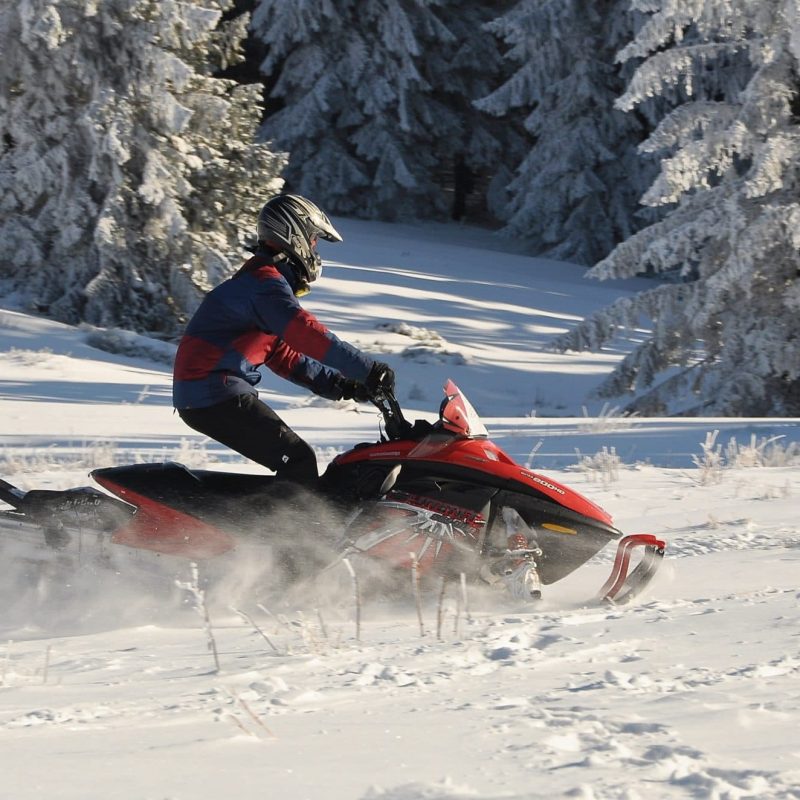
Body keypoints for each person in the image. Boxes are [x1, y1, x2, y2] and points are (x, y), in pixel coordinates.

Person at [172, 194, 395, 487]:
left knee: (295, 460)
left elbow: (284, 355)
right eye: (314, 240)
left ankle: (265, 524)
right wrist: (367, 370)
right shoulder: (264, 284)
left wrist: (343, 385)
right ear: (295, 234)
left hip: (209, 392)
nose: (315, 250)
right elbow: (305, 333)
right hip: (212, 391)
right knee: (298, 460)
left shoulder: (261, 283)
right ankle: (277, 532)